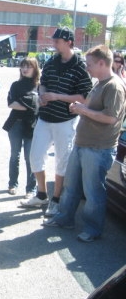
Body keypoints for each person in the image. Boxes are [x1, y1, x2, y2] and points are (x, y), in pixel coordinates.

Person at [43, 45, 126, 242]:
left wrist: (83, 110)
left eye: (89, 64)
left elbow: (111, 118)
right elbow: (90, 108)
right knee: (71, 187)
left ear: (101, 63)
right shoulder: (99, 83)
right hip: (82, 144)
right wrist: (80, 108)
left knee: (93, 192)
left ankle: (92, 229)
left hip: (98, 148)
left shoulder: (113, 86)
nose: (86, 68)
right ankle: (64, 219)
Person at [19, 27, 92, 217]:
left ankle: (57, 199)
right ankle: (42, 194)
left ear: (68, 42)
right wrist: (42, 95)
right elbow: (42, 82)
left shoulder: (80, 66)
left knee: (62, 161)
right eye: (54, 40)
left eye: (57, 41)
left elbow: (84, 97)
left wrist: (57, 96)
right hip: (44, 118)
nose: (53, 43)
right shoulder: (52, 61)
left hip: (65, 121)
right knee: (35, 156)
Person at [3, 57, 39, 197]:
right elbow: (11, 104)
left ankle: (31, 189)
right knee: (14, 156)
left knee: (31, 158)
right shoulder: (15, 85)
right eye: (23, 66)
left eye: (28, 66)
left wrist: (24, 103)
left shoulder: (40, 86)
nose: (25, 69)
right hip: (16, 123)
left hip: (32, 125)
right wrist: (32, 105)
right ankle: (13, 184)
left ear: (35, 68)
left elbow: (41, 104)